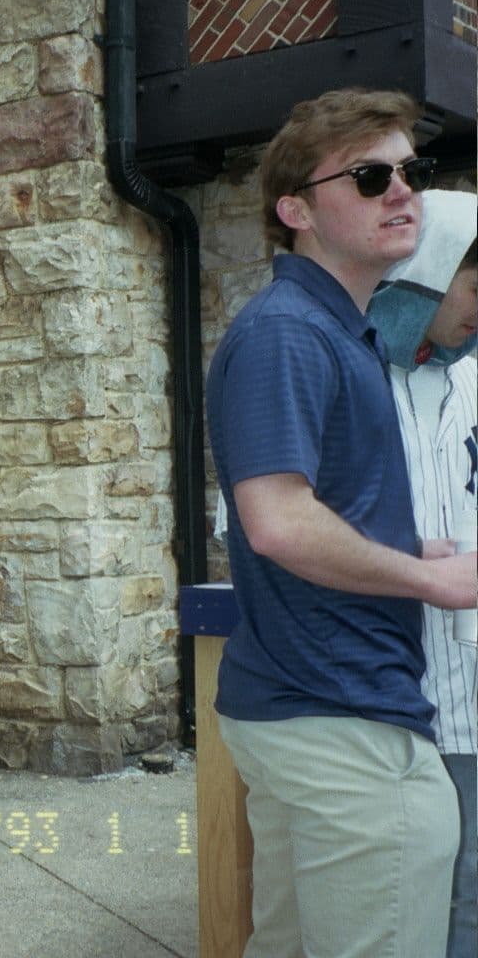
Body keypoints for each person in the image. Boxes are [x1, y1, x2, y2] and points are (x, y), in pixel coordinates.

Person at [205, 87, 478, 957]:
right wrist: (429, 577)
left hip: (307, 709)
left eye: (411, 171)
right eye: (369, 176)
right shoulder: (291, 333)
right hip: (344, 719)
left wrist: (409, 544)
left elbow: (316, 514)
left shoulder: (336, 331)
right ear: (297, 211)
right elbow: (278, 523)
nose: (402, 191)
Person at [367, 188, 478, 958]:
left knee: (471, 891)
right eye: (474, 284)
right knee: (399, 899)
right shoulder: (351, 380)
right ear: (432, 270)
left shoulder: (473, 381)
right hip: (387, 703)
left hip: (472, 685)